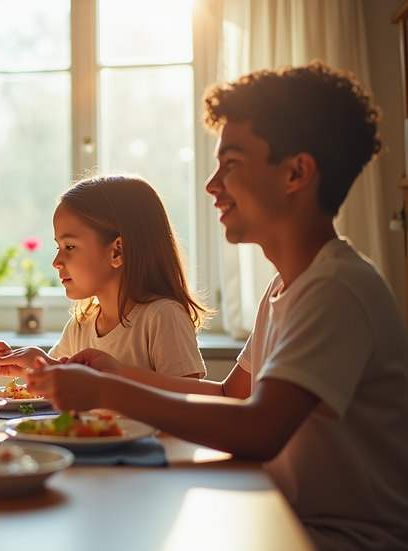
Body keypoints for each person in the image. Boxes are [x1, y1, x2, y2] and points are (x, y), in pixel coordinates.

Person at [27, 62, 408, 551]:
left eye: (231, 164)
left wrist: (108, 390)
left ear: (296, 173)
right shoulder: (287, 288)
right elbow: (231, 395)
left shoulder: (336, 289)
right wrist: (115, 372)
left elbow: (259, 429)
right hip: (282, 514)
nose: (211, 185)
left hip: (334, 538)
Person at [0, 175, 209, 380]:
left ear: (117, 251)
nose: (56, 262)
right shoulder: (82, 324)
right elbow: (63, 379)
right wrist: (35, 363)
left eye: (69, 246)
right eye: (58, 246)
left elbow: (187, 401)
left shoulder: (162, 316)